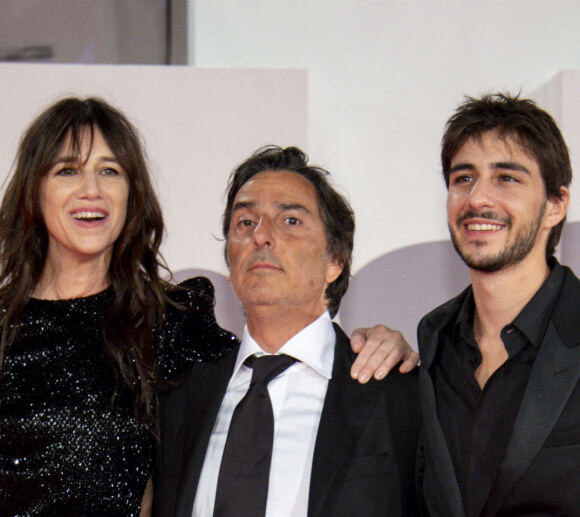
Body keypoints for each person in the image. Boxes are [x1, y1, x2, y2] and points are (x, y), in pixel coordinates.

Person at [0, 98, 415, 516]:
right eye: (67, 169)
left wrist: (387, 343)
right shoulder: (7, 328)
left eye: (109, 170)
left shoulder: (170, 327)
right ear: (34, 189)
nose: (90, 189)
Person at [154, 146, 422, 516]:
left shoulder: (398, 393)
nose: (261, 236)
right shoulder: (179, 397)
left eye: (290, 221)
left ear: (335, 262)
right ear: (230, 264)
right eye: (245, 222)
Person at [417, 93, 580, 516]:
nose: (478, 198)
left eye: (507, 178)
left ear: (555, 205)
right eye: (463, 178)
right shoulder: (432, 343)